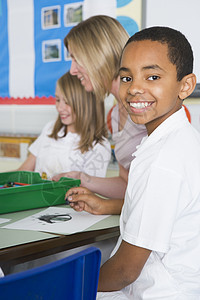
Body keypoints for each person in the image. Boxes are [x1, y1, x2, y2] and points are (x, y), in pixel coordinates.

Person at [66, 26, 200, 299]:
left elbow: (126, 271)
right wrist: (107, 204)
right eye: (126, 77)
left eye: (152, 76)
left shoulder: (163, 158)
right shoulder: (176, 139)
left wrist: (71, 287)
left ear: (185, 86)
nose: (135, 88)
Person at [52, 15, 147, 201]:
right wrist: (82, 179)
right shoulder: (115, 114)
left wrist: (102, 206)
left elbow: (155, 192)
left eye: (76, 59)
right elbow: (127, 185)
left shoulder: (143, 103)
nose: (72, 70)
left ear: (97, 55)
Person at [17, 71, 111, 179]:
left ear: (86, 104)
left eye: (67, 102)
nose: (60, 108)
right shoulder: (50, 129)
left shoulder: (99, 146)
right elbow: (23, 172)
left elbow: (87, 191)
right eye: (57, 100)